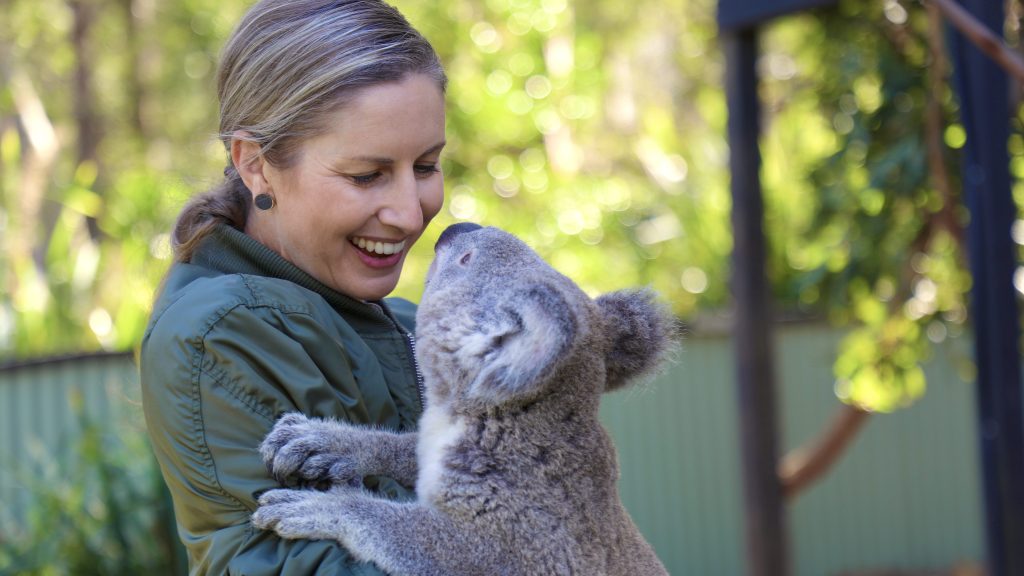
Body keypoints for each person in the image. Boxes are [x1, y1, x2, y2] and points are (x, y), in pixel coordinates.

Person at [139, 0, 447, 573]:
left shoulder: (405, 321)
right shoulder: (222, 334)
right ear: (256, 164)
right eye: (367, 175)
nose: (410, 214)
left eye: (426, 166)